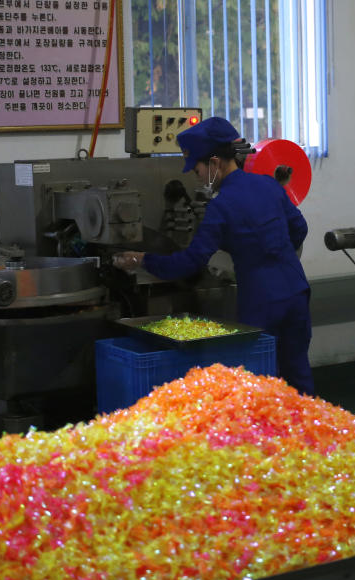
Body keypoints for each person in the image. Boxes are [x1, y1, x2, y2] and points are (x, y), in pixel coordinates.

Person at [113, 117, 314, 394]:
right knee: (298, 375)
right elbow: (300, 228)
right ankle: (307, 434)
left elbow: (190, 261)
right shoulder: (268, 185)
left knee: (259, 386)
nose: (196, 177)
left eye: (197, 169)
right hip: (297, 291)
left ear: (215, 163)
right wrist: (275, 254)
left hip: (261, 301)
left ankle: (267, 436)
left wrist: (142, 260)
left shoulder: (222, 206)